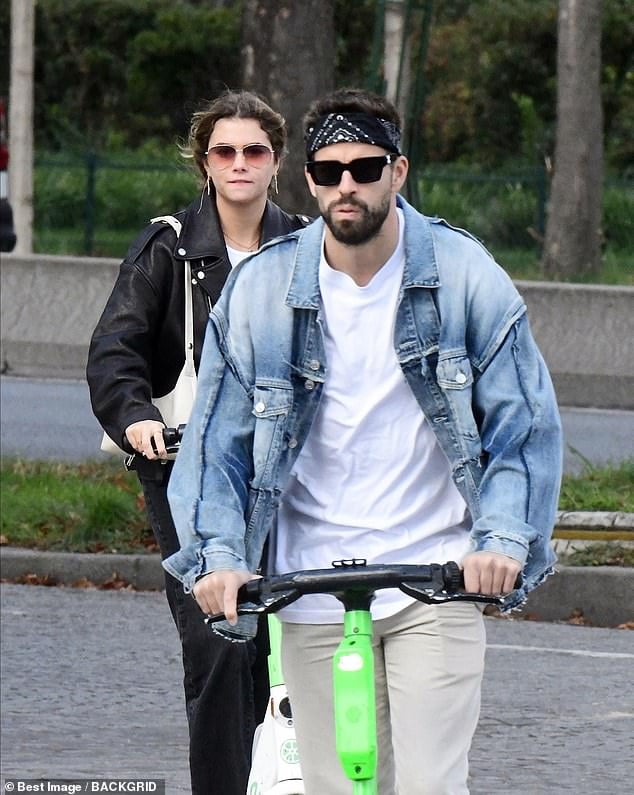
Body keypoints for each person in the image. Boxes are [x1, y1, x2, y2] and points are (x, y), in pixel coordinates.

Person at [164, 88, 562, 795]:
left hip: (433, 583)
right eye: (328, 171)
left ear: (398, 172)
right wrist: (219, 556)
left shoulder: (466, 276)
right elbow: (216, 447)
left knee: (428, 784)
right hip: (312, 589)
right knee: (332, 786)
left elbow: (522, 428)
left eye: (365, 167)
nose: (346, 185)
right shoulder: (260, 291)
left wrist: (502, 539)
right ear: (309, 179)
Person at [86, 90, 309, 795]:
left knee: (291, 639)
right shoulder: (169, 246)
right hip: (187, 466)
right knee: (218, 642)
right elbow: (113, 351)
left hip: (292, 471)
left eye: (255, 151)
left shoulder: (308, 246)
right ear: (204, 162)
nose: (240, 163)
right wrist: (136, 417)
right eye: (225, 151)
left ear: (276, 162)